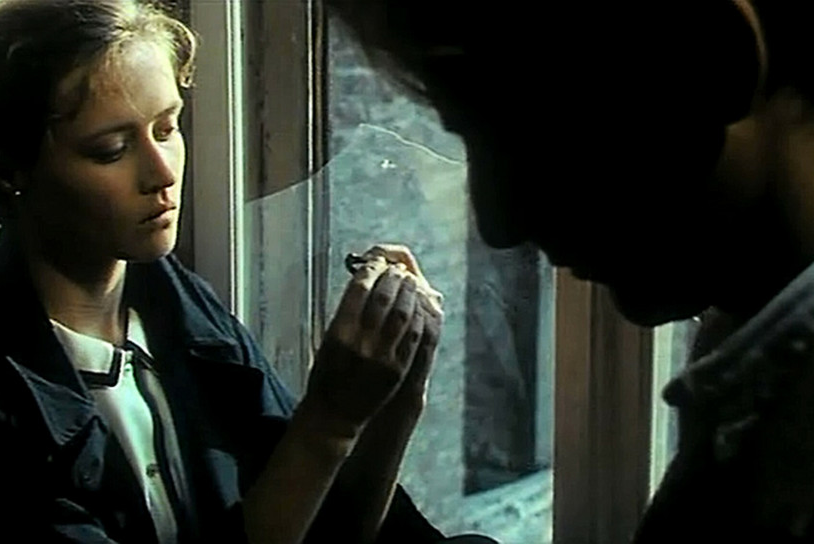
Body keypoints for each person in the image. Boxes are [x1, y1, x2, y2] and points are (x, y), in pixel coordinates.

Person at [0, 1, 492, 543]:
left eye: (168, 128)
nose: (162, 173)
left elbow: (326, 532)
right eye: (111, 149)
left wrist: (394, 401)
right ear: (6, 171)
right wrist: (328, 422)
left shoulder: (182, 308)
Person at [327, 0, 814, 542]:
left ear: (715, 59)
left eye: (530, 140)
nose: (497, 224)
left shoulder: (787, 458)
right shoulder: (748, 375)